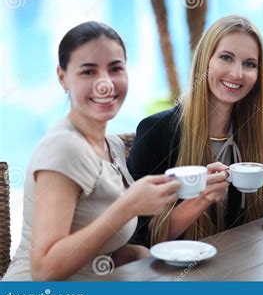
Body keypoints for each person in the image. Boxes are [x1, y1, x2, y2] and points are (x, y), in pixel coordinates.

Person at [3, 22, 181, 281]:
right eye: (88, 72)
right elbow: (44, 270)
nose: (105, 84)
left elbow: (96, 247)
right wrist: (128, 205)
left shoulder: (113, 147)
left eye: (115, 68)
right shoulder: (64, 148)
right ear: (62, 77)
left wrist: (134, 254)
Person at [127, 15, 263, 245]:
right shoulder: (156, 131)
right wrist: (202, 199)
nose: (237, 74)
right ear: (205, 61)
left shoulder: (253, 134)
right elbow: (140, 238)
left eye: (249, 64)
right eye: (226, 58)